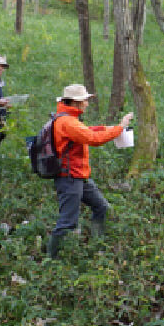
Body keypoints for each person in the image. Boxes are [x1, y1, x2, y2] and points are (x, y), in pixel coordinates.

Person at [47, 84, 133, 259]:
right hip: (69, 178)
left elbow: (87, 132)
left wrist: (109, 128)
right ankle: (52, 261)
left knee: (101, 207)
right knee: (67, 222)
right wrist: (119, 127)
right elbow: (92, 139)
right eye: (85, 100)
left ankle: (97, 246)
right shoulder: (67, 122)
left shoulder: (69, 118)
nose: (87, 103)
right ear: (76, 102)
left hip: (79, 176)